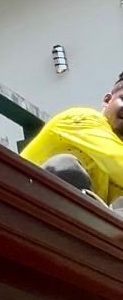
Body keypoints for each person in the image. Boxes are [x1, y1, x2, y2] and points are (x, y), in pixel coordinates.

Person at [21, 73, 123, 211]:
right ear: (107, 100)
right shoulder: (82, 118)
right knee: (66, 166)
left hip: (64, 217)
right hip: (20, 204)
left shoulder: (110, 167)